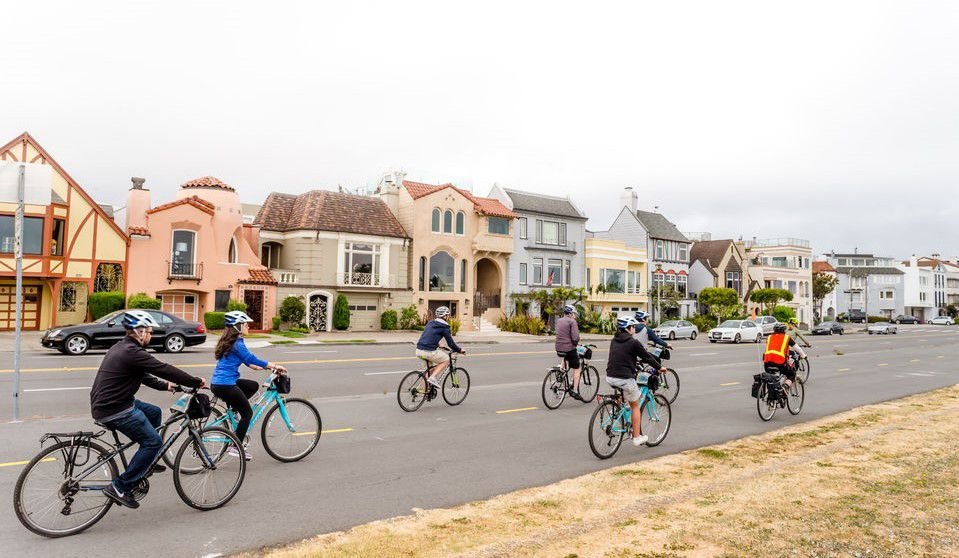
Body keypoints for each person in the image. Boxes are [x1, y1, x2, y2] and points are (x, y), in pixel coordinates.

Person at [89, 310, 207, 509]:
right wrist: (195, 381)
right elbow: (164, 368)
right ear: (140, 332)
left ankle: (145, 461)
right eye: (150, 332)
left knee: (154, 412)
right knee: (153, 442)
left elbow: (143, 375)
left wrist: (167, 386)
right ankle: (120, 487)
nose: (151, 336)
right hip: (115, 409)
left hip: (109, 403)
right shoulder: (133, 352)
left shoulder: (121, 347)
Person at [211, 310, 287, 461]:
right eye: (246, 324)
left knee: (252, 385)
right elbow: (249, 357)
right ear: (238, 326)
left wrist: (253, 366)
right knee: (247, 414)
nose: (248, 327)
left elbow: (245, 359)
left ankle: (234, 411)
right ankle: (236, 447)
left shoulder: (232, 341)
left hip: (219, 383)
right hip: (226, 385)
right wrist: (272, 365)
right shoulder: (237, 343)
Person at [605, 316, 667, 446]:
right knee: (635, 405)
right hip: (624, 378)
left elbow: (623, 355)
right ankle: (637, 437)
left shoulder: (614, 340)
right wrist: (660, 367)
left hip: (610, 376)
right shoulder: (633, 342)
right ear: (628, 328)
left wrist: (634, 362)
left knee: (625, 396)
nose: (635, 328)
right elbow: (647, 357)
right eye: (633, 326)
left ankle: (616, 411)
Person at [415, 306, 464, 387]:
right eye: (448, 315)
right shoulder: (445, 327)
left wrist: (438, 343)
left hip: (418, 350)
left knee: (430, 371)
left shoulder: (430, 322)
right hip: (428, 351)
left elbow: (429, 335)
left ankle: (421, 390)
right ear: (445, 316)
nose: (449, 317)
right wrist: (459, 350)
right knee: (446, 359)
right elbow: (451, 344)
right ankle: (433, 378)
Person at [554, 304, 584, 400]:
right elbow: (575, 338)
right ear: (570, 313)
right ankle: (575, 390)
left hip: (558, 347)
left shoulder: (559, 320)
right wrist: (576, 343)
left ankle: (559, 377)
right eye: (574, 313)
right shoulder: (572, 322)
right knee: (577, 368)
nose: (575, 315)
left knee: (565, 358)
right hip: (569, 348)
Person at [762, 323, 806, 387]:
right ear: (784, 330)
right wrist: (803, 355)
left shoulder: (769, 337)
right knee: (792, 374)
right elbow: (796, 348)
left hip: (767, 362)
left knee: (772, 377)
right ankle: (786, 386)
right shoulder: (786, 337)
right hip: (780, 362)